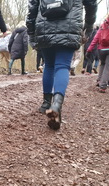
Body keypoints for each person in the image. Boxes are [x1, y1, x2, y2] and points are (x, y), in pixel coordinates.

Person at [27, 0, 97, 130]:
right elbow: (91, 4)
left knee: (49, 65)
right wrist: (89, 25)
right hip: (70, 26)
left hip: (44, 26)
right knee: (62, 66)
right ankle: (57, 105)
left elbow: (32, 7)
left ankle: (46, 103)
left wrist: (31, 33)